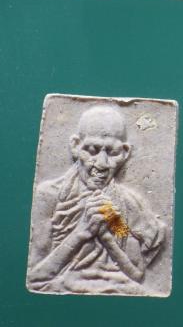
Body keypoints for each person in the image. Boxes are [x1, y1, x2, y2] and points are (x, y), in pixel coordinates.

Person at [27, 106, 165, 295]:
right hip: (61, 287)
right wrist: (81, 232)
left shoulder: (123, 203)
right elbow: (35, 277)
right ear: (76, 146)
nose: (102, 163)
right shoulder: (51, 196)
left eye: (112, 152)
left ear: (125, 153)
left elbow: (137, 274)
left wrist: (107, 235)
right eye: (92, 150)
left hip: (118, 289)